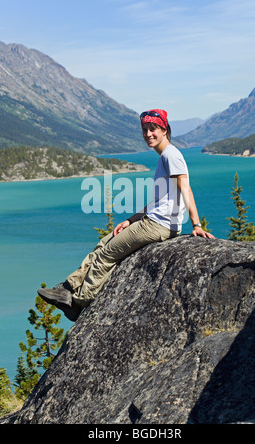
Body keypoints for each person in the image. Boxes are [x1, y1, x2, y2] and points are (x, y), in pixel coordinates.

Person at [38, 109, 215, 321]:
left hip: (158, 225)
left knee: (107, 254)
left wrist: (196, 225)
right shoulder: (164, 157)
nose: (148, 134)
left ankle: (78, 302)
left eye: (153, 129)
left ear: (165, 129)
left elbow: (186, 188)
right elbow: (158, 202)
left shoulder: (171, 155)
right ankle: (67, 288)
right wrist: (130, 220)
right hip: (154, 221)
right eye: (145, 130)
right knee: (106, 242)